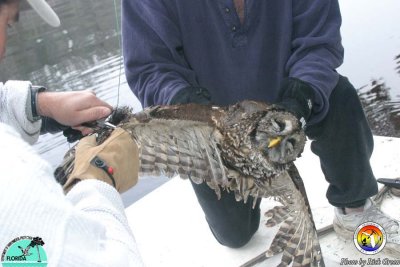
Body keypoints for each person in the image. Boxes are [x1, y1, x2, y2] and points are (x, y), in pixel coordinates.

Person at [122, 0, 400, 255]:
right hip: (212, 125)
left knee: (337, 93)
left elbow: (319, 43)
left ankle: (354, 205)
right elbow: (150, 68)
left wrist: (298, 99)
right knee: (236, 235)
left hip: (285, 93)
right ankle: (247, 190)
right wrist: (189, 106)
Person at [0, 0, 144, 266]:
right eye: (7, 23)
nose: (5, 48)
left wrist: (42, 105)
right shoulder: (10, 172)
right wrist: (95, 178)